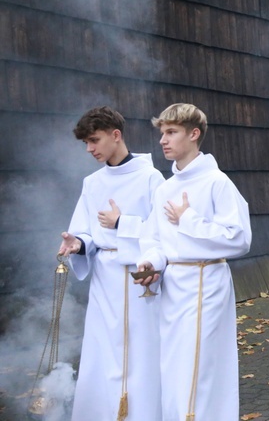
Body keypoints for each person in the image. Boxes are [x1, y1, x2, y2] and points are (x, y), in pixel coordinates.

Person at [135, 103, 252, 421]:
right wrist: (150, 263)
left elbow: (239, 238)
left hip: (206, 283)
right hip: (173, 287)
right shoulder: (165, 189)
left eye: (171, 132)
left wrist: (188, 219)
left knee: (200, 367)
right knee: (173, 367)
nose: (163, 140)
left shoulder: (217, 182)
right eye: (162, 133)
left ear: (194, 134)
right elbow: (155, 239)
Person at [58, 106, 164, 421]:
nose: (90, 149)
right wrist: (78, 244)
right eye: (86, 144)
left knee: (139, 355)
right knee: (102, 352)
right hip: (104, 281)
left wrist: (122, 224)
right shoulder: (92, 183)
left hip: (138, 280)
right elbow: (87, 233)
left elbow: (161, 234)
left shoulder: (150, 178)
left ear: (115, 135)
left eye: (95, 140)